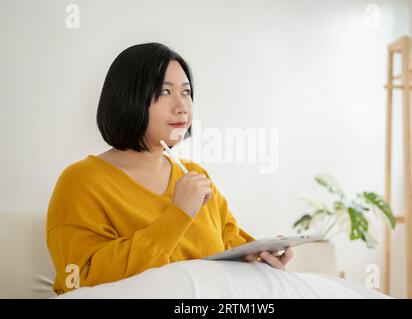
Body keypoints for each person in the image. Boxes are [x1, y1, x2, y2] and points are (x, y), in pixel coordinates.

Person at [46, 43, 293, 294]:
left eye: (186, 92)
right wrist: (178, 214)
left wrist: (262, 261)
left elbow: (231, 248)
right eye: (165, 92)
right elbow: (77, 278)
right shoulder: (81, 181)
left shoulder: (194, 175)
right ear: (128, 97)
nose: (182, 106)